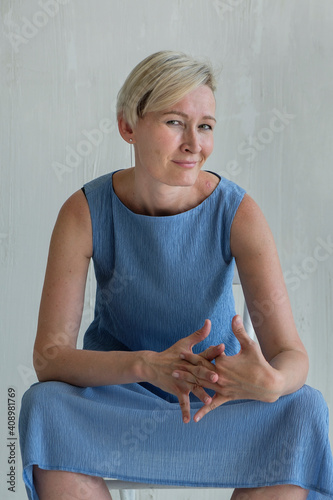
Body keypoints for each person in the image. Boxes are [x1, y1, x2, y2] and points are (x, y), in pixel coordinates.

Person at [19, 50, 333, 500]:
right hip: (120, 402)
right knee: (42, 406)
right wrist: (147, 364)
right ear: (128, 126)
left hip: (215, 403)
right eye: (174, 122)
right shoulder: (85, 211)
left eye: (205, 126)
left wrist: (271, 381)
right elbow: (49, 358)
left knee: (304, 407)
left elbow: (290, 355)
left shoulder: (237, 212)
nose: (194, 144)